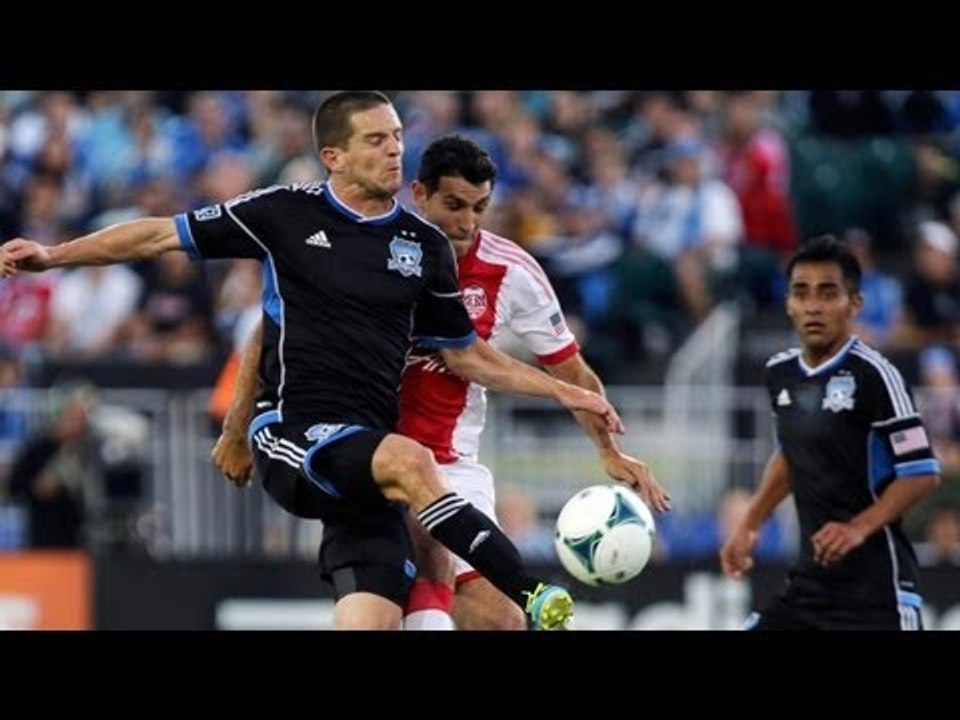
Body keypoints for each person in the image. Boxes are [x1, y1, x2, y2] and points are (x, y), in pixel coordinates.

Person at [2, 91, 624, 631]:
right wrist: (54, 255)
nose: (394, 150)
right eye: (376, 140)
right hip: (294, 435)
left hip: (365, 461)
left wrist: (562, 391)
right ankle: (534, 589)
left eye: (398, 137)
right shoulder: (284, 215)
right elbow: (158, 235)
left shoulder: (424, 245)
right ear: (335, 156)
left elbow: (467, 357)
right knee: (415, 461)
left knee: (376, 610)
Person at [216, 135, 671, 630]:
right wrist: (236, 430)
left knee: (505, 622)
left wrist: (607, 449)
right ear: (420, 194)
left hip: (455, 463)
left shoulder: (512, 272)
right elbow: (270, 329)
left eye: (480, 207)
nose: (467, 222)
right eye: (454, 205)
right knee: (417, 557)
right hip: (369, 455)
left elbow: (572, 370)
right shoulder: (367, 245)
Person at [720, 235, 942, 630]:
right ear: (788, 303)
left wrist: (858, 527)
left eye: (828, 293)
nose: (813, 306)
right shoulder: (780, 373)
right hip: (809, 591)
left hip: (877, 595)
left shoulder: (875, 374)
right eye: (802, 293)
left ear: (854, 304)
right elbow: (793, 454)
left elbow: (921, 472)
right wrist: (751, 523)